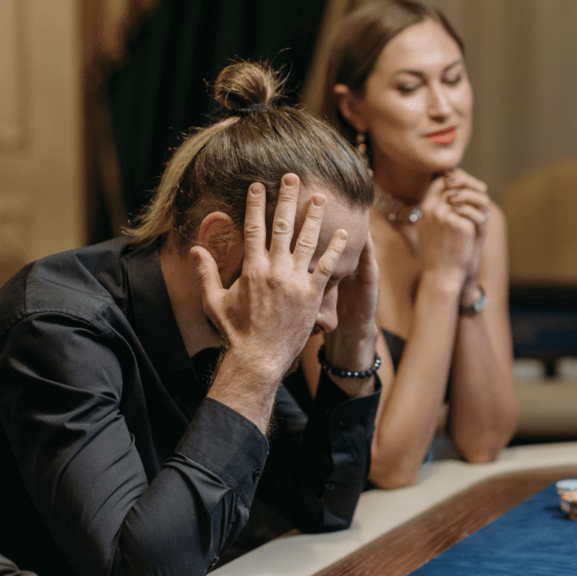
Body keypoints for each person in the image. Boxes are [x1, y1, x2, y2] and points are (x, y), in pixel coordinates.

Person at [0, 61, 380, 574]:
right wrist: (254, 365)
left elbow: (320, 505)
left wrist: (357, 341)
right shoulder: (57, 328)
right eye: (314, 279)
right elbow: (141, 568)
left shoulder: (221, 321)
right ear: (221, 240)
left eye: (341, 283)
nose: (328, 316)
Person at [301, 0, 517, 488]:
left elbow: (484, 441)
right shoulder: (327, 230)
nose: (443, 107)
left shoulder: (481, 221)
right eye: (409, 87)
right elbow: (386, 464)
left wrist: (465, 290)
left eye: (454, 78)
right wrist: (442, 280)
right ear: (353, 106)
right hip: (304, 523)